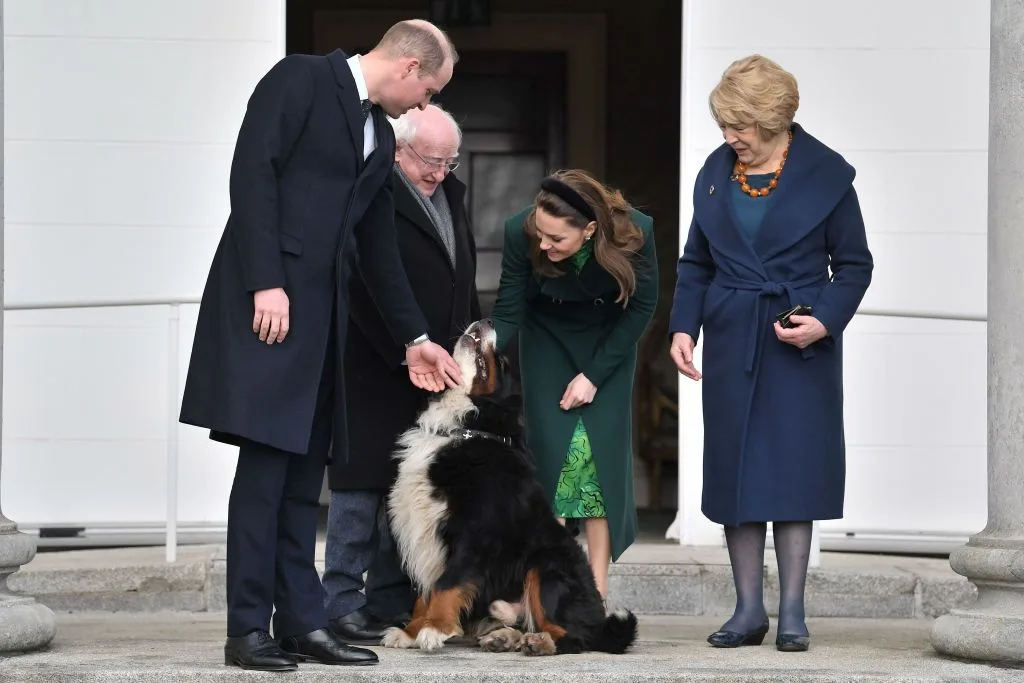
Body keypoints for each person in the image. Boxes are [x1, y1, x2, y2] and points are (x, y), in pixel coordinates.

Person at [178, 20, 463, 672]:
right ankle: (247, 629)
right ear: (411, 69)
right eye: (428, 93)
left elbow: (378, 246)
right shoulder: (300, 79)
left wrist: (414, 337)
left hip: (323, 326)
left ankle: (303, 623)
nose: (422, 107)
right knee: (264, 476)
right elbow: (253, 173)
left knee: (304, 482)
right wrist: (266, 283)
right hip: (272, 314)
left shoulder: (378, 132)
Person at [669, 54, 873, 652]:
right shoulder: (717, 169)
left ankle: (791, 612)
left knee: (791, 470)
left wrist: (823, 321)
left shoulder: (827, 176)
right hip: (733, 337)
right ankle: (747, 609)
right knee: (736, 470)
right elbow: (695, 262)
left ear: (777, 120)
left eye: (743, 127)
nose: (732, 139)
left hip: (797, 343)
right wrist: (684, 327)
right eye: (726, 126)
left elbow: (854, 266)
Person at [322, 103, 480, 643]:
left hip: (435, 370)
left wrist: (464, 344)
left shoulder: (452, 194)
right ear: (398, 150)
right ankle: (340, 600)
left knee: (409, 486)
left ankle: (388, 601)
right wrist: (405, 350)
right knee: (358, 484)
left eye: (449, 162)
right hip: (376, 361)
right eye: (429, 161)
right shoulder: (376, 191)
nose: (439, 173)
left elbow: (461, 277)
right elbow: (361, 280)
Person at [490, 169, 658, 605]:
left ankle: (595, 596)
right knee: (555, 463)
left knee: (598, 468)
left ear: (589, 230)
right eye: (539, 233)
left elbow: (642, 306)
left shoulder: (636, 231)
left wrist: (595, 376)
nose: (543, 244)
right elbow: (509, 307)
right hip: (546, 341)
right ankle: (547, 592)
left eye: (555, 239)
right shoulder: (519, 231)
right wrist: (478, 349)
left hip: (610, 346)